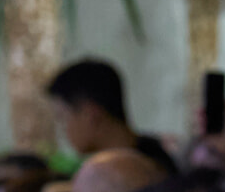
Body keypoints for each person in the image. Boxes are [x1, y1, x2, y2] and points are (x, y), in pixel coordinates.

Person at [47, 59, 175, 174]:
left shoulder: (144, 172)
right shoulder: (145, 157)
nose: (63, 130)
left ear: (91, 115)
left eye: (62, 118)